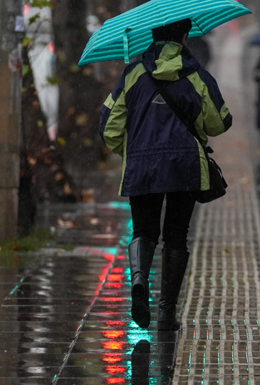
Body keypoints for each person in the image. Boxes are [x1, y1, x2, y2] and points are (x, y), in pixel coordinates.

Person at [99, 18, 232, 331]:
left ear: (153, 37)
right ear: (185, 38)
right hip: (185, 166)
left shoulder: (132, 74)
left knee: (144, 231)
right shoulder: (197, 74)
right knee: (176, 236)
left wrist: (131, 151)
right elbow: (219, 122)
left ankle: (140, 281)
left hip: (141, 167)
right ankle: (166, 313)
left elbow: (110, 126)